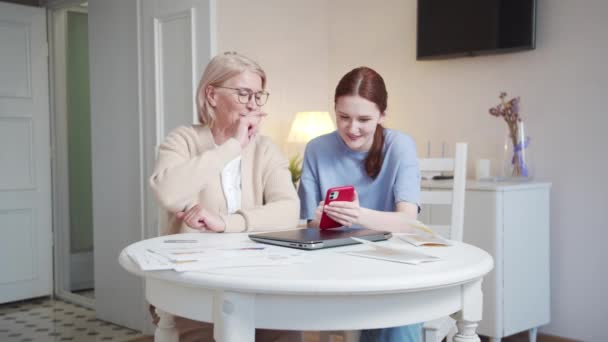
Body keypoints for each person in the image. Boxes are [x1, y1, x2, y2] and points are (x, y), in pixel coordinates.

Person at [149, 52, 300, 342]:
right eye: (244, 94)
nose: (253, 104)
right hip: (194, 285)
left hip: (257, 282)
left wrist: (225, 222)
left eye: (258, 95)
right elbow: (167, 192)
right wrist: (232, 146)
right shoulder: (182, 140)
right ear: (212, 95)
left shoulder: (266, 149)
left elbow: (289, 210)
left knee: (288, 334)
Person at [297, 66, 422, 342]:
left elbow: (408, 222)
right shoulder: (317, 149)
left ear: (382, 115)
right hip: (333, 268)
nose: (352, 129)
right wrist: (321, 220)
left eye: (364, 119)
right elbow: (310, 225)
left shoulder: (399, 146)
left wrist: (357, 214)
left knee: (397, 316)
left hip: (390, 267)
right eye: (343, 117)